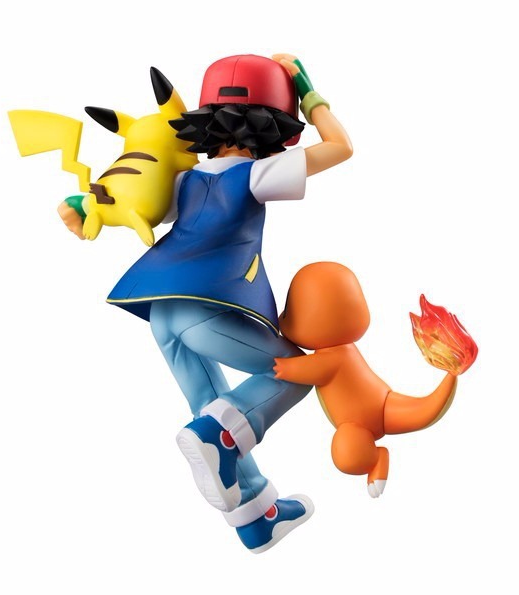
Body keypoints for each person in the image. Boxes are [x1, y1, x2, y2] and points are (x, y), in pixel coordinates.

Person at [105, 53, 353, 552]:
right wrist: (308, 90)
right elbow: (340, 147)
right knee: (296, 372)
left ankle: (256, 516)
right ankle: (221, 439)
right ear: (273, 124)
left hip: (160, 311)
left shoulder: (184, 180)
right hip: (204, 309)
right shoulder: (257, 174)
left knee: (211, 407)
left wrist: (87, 203)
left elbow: (135, 204)